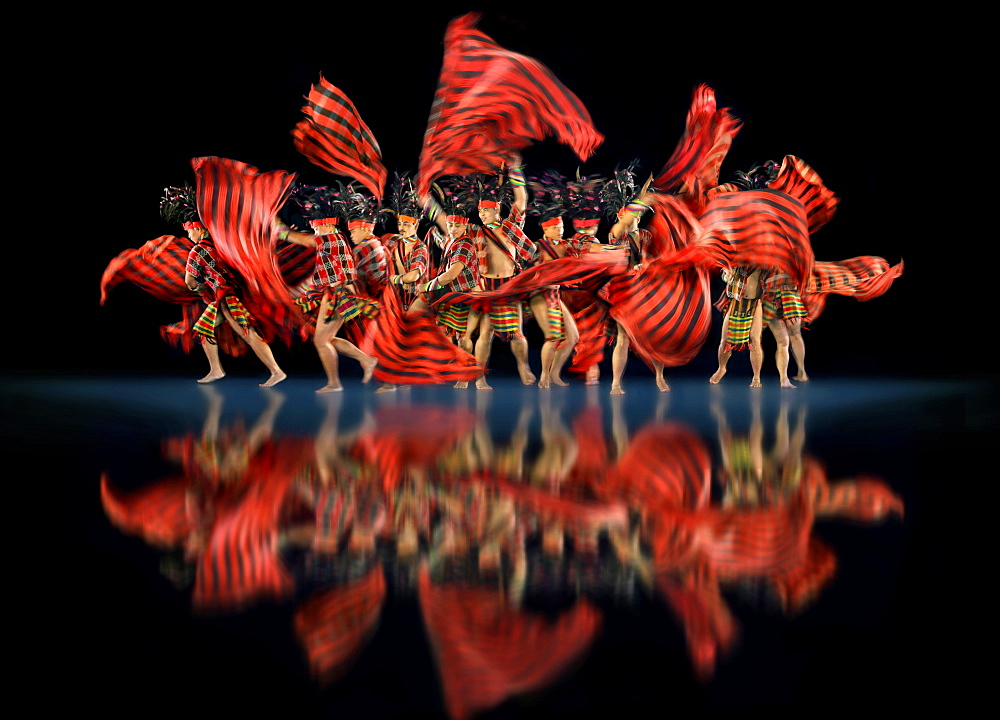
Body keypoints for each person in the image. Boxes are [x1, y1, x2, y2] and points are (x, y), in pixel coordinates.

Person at [169, 188, 287, 387]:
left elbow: (190, 282)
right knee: (204, 328)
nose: (188, 234)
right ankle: (216, 370)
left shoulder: (198, 250)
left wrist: (198, 288)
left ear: (198, 229)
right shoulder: (222, 243)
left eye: (189, 230)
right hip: (234, 292)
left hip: (228, 296)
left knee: (247, 332)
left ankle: (277, 372)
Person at [276, 186, 377, 392]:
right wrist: (299, 291)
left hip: (338, 295)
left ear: (325, 225)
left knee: (321, 341)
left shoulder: (329, 239)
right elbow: (322, 274)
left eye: (315, 227)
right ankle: (366, 360)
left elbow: (299, 238)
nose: (313, 230)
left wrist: (275, 224)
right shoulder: (335, 239)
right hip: (336, 294)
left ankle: (334, 383)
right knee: (325, 339)